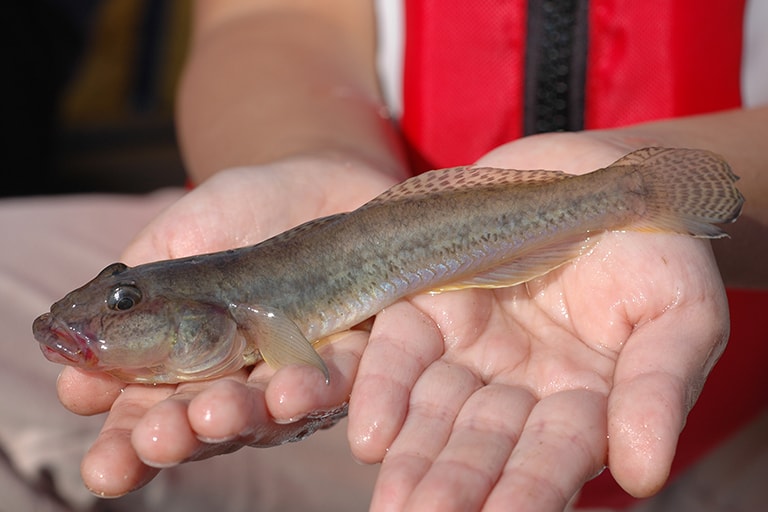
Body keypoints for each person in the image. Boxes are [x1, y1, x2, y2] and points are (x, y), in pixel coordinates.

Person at [41, 0, 768, 510]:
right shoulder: (239, 314)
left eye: (124, 307)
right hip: (383, 419)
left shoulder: (253, 315)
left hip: (735, 419)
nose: (102, 323)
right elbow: (267, 21)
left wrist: (614, 170)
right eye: (123, 297)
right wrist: (300, 156)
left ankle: (631, 193)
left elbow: (295, 360)